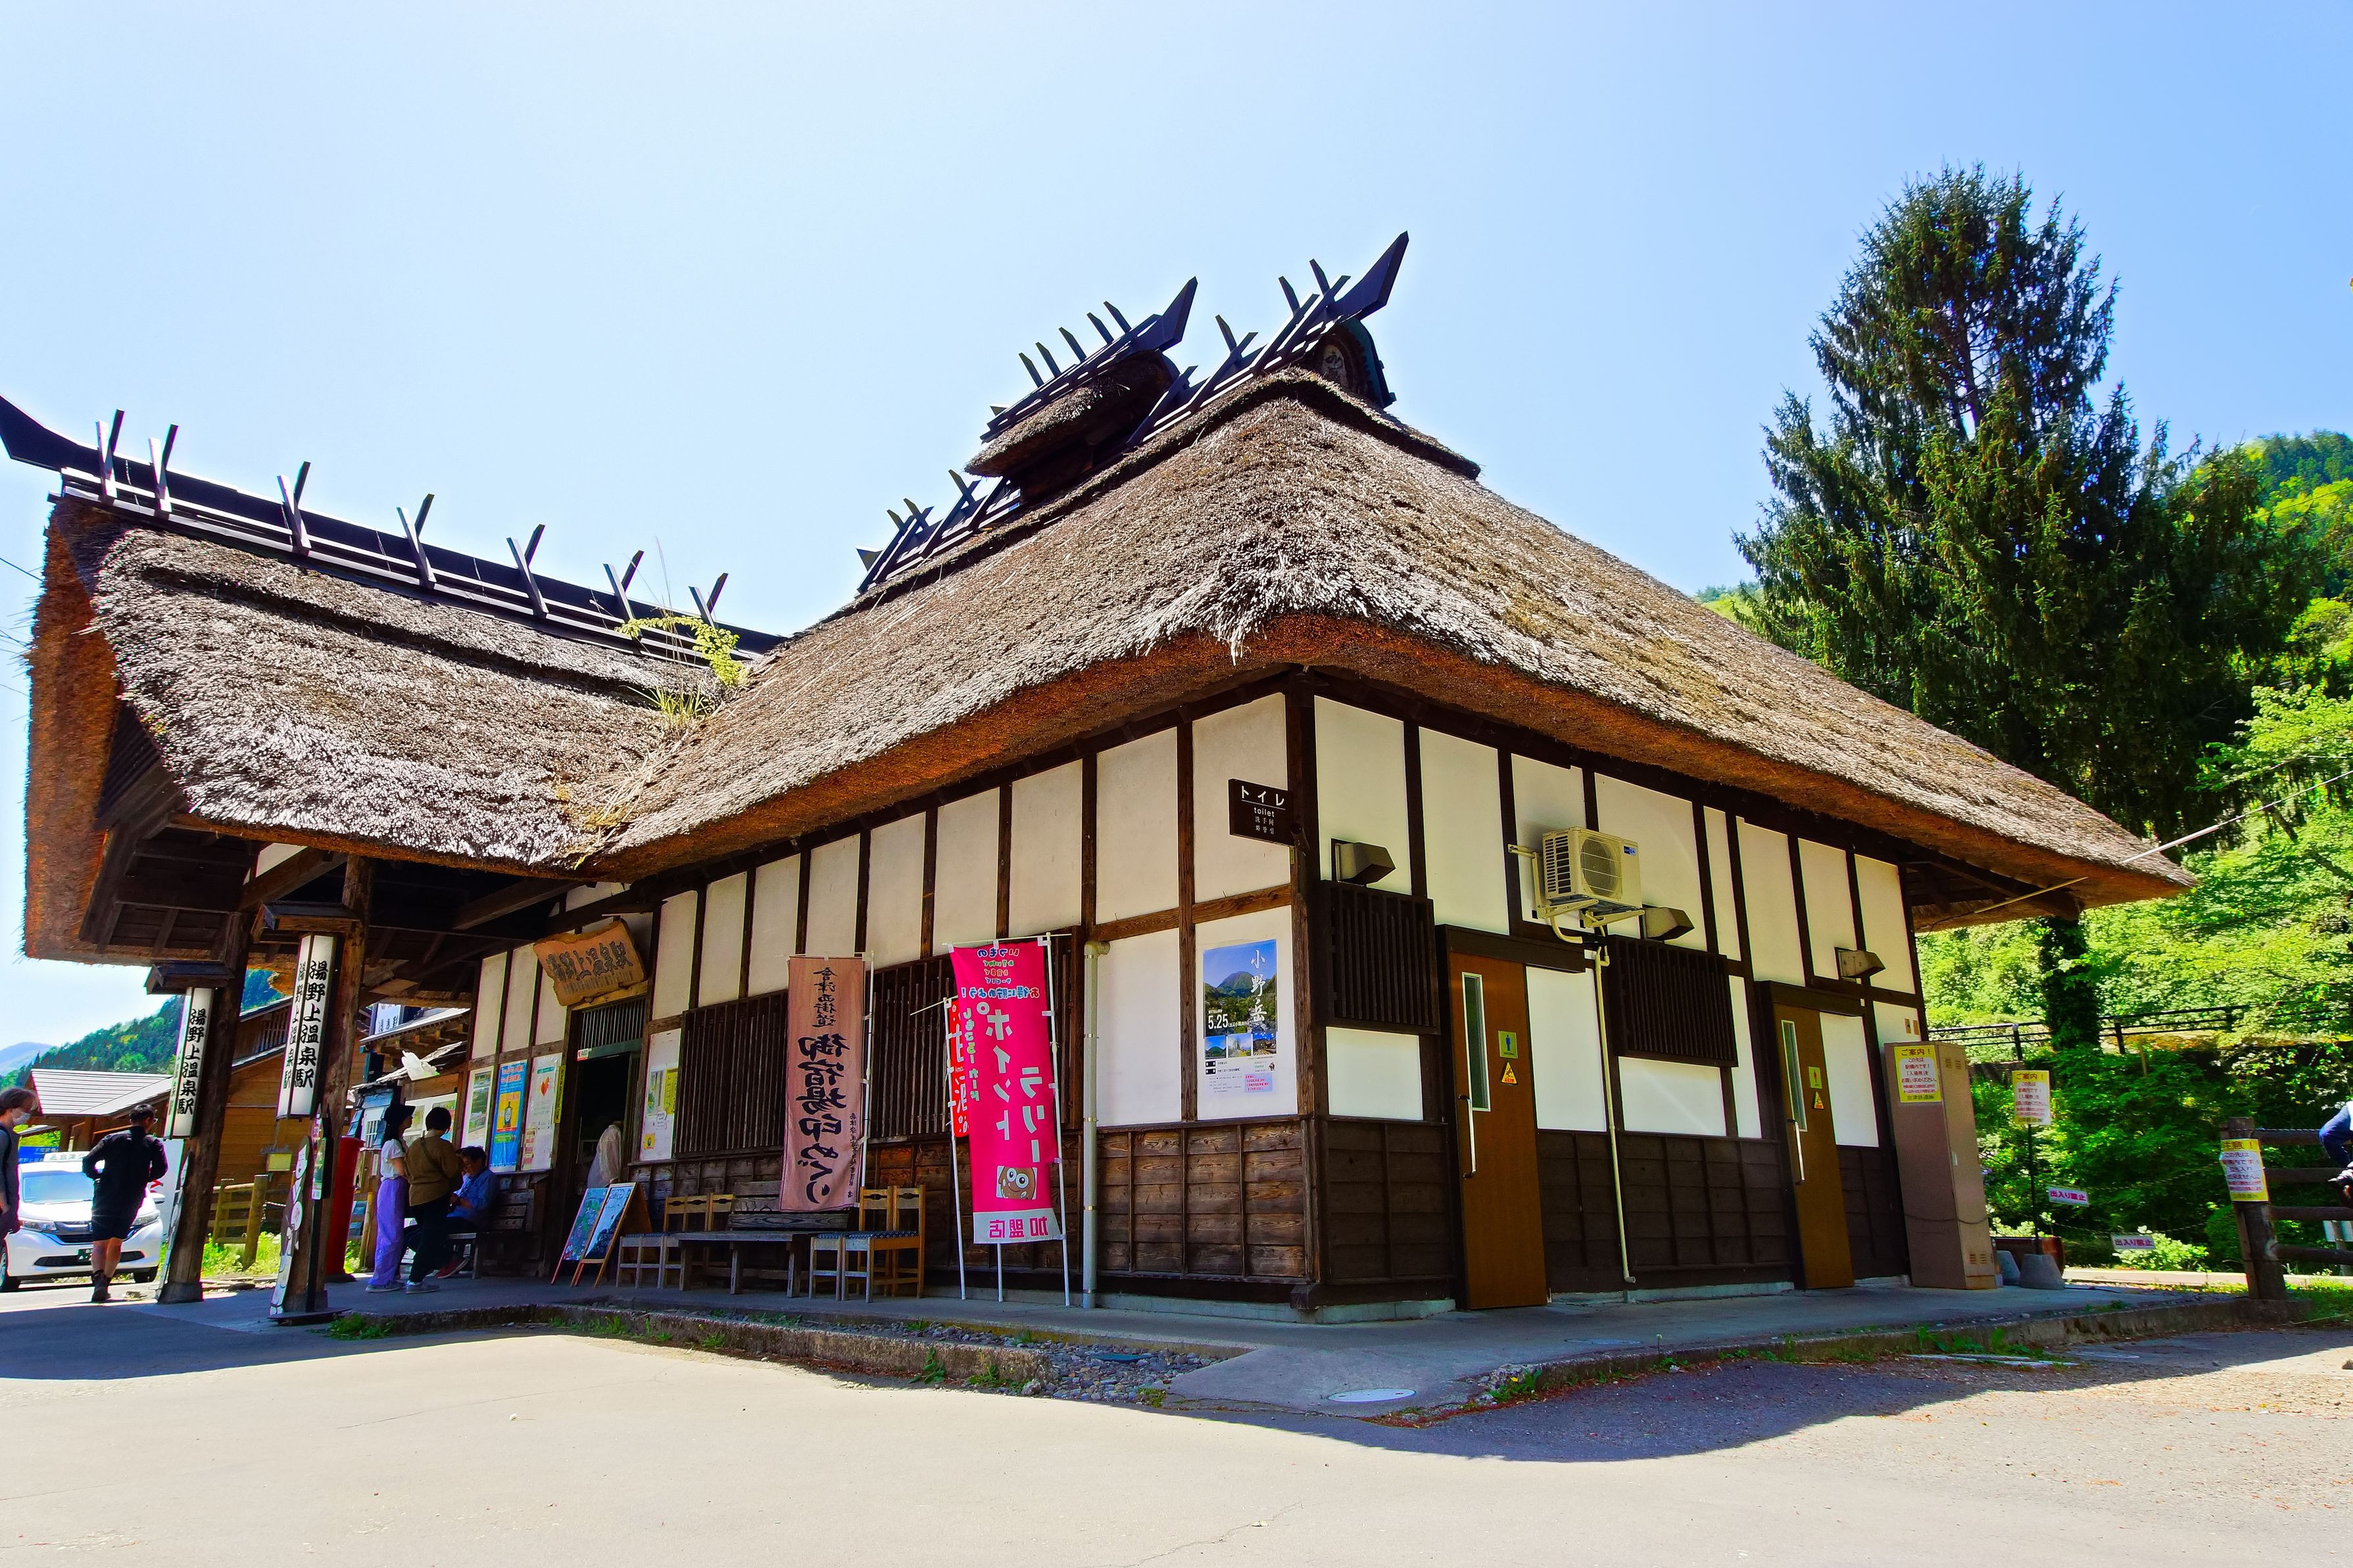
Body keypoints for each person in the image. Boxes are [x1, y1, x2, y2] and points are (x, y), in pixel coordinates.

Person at [80, 1105, 166, 1302]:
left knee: (99, 1243)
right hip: (131, 1197)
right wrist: (144, 1178)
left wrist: (97, 1177)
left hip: (105, 1196)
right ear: (148, 1121)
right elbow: (161, 1169)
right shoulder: (152, 1143)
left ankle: (98, 1280)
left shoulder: (112, 1139)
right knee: (116, 1242)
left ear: (131, 1120)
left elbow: (88, 1161)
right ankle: (106, 1282)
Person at [400, 1106, 464, 1292]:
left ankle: (444, 1261)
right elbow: (452, 1171)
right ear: (446, 1125)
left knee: (427, 1237)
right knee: (429, 1239)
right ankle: (415, 1280)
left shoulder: (414, 1146)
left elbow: (407, 1172)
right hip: (436, 1196)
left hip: (415, 1198)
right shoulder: (443, 1146)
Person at [366, 1104, 415, 1293]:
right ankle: (380, 1280)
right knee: (391, 1235)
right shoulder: (393, 1144)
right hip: (392, 1188)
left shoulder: (399, 1142)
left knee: (394, 1234)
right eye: (408, 1116)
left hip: (397, 1188)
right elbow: (402, 1171)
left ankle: (390, 1275)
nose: (411, 1119)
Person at [433, 1147, 497, 1280]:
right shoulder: (467, 1178)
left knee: (433, 1230)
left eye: (467, 1164)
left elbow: (483, 1204)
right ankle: (446, 1260)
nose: (465, 1168)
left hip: (470, 1220)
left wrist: (459, 1201)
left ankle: (451, 1260)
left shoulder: (488, 1178)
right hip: (454, 1216)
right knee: (412, 1233)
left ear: (478, 1161)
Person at [0, 1086, 36, 1248]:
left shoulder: (8, 1134)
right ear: (10, 1108)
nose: (28, 1114)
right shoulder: (2, 1135)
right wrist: (4, 1205)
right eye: (26, 1109)